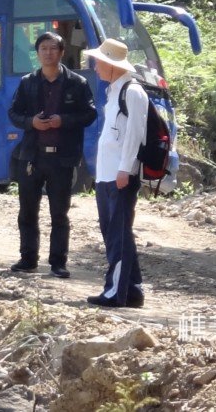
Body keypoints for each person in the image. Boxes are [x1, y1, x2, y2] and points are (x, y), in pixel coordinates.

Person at [8, 32, 97, 279]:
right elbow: (13, 113)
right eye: (43, 48)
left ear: (61, 52)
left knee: (59, 213)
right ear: (37, 53)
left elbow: (89, 114)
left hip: (62, 158)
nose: (48, 53)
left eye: (53, 48)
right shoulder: (28, 82)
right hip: (32, 156)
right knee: (27, 211)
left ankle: (58, 262)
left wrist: (63, 120)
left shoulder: (77, 83)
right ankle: (28, 259)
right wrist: (31, 122)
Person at [84, 38, 148, 308]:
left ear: (111, 64)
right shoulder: (114, 91)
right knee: (114, 232)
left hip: (120, 175)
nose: (95, 67)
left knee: (117, 235)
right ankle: (132, 289)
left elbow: (135, 134)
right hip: (107, 174)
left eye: (99, 61)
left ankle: (114, 292)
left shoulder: (133, 92)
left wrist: (125, 169)